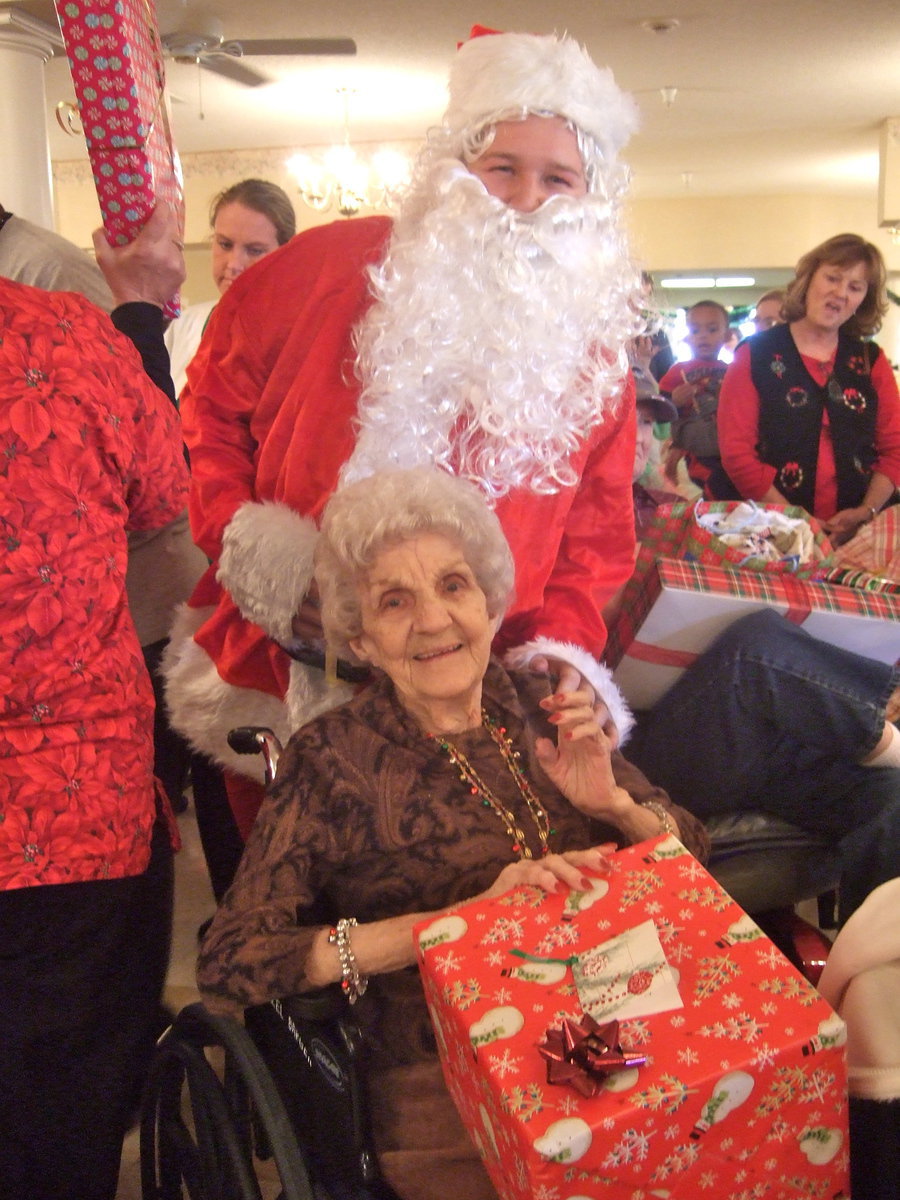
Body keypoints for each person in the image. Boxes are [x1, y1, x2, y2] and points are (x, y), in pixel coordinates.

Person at [164, 27, 645, 840]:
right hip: (280, 674)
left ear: (588, 200)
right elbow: (208, 413)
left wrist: (563, 651)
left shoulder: (596, 359)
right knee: (278, 926)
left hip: (474, 702)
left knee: (441, 936)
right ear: (457, 169)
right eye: (502, 169)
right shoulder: (317, 267)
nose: (526, 198)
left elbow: (595, 543)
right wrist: (258, 551)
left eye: (557, 178)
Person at [196, 467, 710, 1200]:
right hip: (448, 1064)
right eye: (394, 601)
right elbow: (229, 958)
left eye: (453, 586)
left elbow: (693, 858)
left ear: (491, 603)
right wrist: (444, 930)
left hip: (619, 1013)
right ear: (363, 638)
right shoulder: (332, 760)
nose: (433, 620)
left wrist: (616, 805)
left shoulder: (543, 702)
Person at [0, 205, 190, 1200]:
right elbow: (166, 504)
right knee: (66, 1109)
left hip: (76, 806)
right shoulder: (69, 338)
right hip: (76, 809)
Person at [718, 233, 900, 545]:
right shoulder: (755, 354)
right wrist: (796, 523)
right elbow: (737, 455)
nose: (840, 293)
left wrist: (865, 512)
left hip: (859, 537)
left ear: (862, 301)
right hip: (770, 533)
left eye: (855, 287)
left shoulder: (872, 361)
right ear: (809, 279)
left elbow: (896, 449)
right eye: (832, 278)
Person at [164, 177, 296, 395]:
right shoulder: (183, 326)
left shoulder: (297, 336)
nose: (234, 264)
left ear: (285, 254)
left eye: (254, 250)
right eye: (225, 244)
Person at [658, 298, 739, 499]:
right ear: (687, 337)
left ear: (727, 335)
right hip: (696, 450)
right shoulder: (678, 371)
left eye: (712, 330)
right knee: (713, 486)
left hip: (728, 445)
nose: (703, 336)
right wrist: (674, 401)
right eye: (695, 331)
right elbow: (660, 413)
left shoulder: (732, 371)